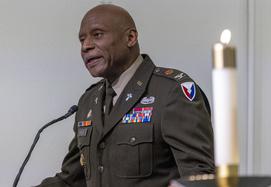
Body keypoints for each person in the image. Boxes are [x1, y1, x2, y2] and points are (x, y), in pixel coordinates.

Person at [36, 4, 214, 187]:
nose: (86, 46)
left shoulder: (171, 92)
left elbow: (199, 178)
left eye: (97, 35)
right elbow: (71, 180)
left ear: (130, 37)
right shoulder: (88, 101)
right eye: (82, 40)